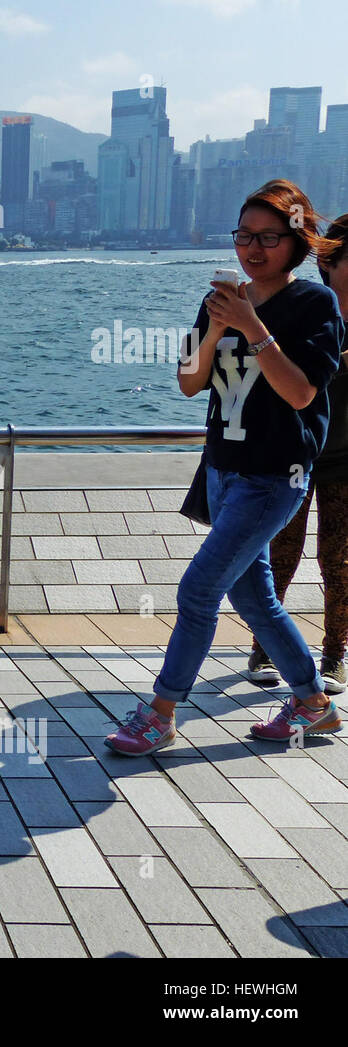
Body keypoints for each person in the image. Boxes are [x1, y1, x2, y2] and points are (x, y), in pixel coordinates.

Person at [106, 180, 345, 756]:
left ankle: (160, 713)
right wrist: (218, 325)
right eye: (244, 236)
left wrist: (253, 326)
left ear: (298, 243)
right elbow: (190, 382)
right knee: (253, 596)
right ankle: (313, 705)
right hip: (223, 470)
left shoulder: (315, 305)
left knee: (198, 589)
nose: (253, 249)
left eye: (269, 237)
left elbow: (302, 393)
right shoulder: (221, 301)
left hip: (274, 476)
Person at [246, 214, 348, 693]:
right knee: (279, 554)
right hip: (297, 451)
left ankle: (333, 658)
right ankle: (263, 649)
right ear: (329, 262)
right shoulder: (308, 306)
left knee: (340, 560)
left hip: (347, 460)